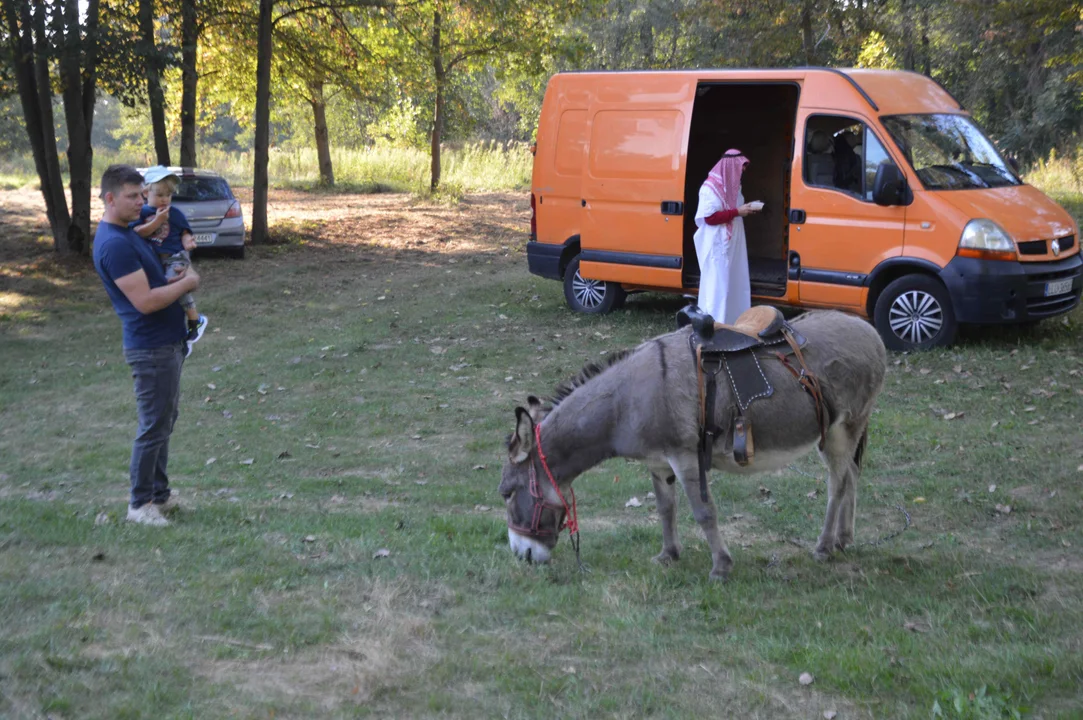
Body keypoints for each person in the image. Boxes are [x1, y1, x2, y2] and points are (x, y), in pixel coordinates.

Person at [93, 164, 201, 527]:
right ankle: (140, 506)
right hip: (150, 347)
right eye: (132, 196)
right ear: (109, 198)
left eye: (143, 195)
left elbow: (155, 279)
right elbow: (146, 302)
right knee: (153, 425)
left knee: (165, 421)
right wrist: (187, 286)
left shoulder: (129, 232)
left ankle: (159, 495)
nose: (142, 202)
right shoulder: (114, 244)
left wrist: (174, 274)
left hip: (166, 342)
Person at [131, 166, 208, 354]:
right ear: (146, 192)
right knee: (164, 293)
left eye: (168, 195)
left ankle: (195, 319)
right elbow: (137, 233)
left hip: (175, 257)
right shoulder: (141, 213)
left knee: (173, 286)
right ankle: (180, 336)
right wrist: (157, 222)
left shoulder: (175, 213)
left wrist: (188, 241)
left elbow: (184, 232)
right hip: (156, 261)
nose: (164, 199)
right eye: (159, 195)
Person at [693, 149, 762, 324]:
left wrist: (745, 209)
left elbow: (734, 209)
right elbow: (710, 217)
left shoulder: (735, 187)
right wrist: (738, 211)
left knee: (735, 281)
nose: (743, 171)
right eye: (741, 167)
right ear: (731, 167)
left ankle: (734, 322)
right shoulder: (710, 189)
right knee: (719, 285)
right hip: (718, 244)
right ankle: (716, 323)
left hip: (733, 242)